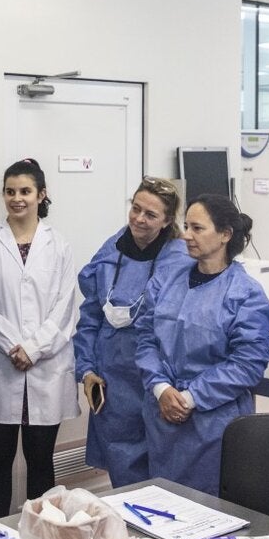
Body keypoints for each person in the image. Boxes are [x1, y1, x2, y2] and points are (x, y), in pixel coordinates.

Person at [135, 194, 269, 495]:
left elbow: (247, 365)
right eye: (186, 226)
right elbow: (146, 337)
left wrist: (191, 397)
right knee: (164, 501)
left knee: (210, 507)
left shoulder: (245, 294)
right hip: (162, 414)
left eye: (197, 228)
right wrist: (161, 388)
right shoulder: (167, 280)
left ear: (225, 234)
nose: (187, 235)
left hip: (214, 421)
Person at [0, 158, 78, 518]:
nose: (17, 198)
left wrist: (33, 349)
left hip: (45, 367)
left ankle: (42, 536)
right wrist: (12, 346)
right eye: (10, 191)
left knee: (41, 462)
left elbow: (65, 306)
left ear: (41, 194)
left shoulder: (58, 244)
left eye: (25, 191)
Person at [74, 177, 189, 487]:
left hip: (160, 382)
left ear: (167, 220)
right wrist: (86, 370)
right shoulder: (110, 252)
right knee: (124, 474)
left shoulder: (180, 260)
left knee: (164, 474)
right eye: (135, 209)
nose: (139, 218)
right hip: (113, 382)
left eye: (150, 214)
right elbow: (90, 316)